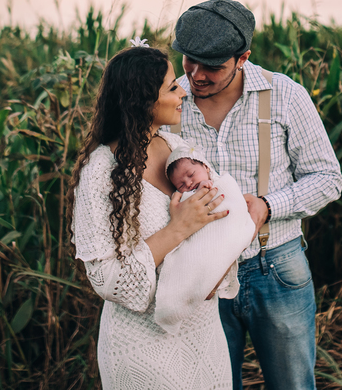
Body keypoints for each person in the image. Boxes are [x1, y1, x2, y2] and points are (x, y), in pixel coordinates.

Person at [171, 0, 342, 390]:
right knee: (212, 384)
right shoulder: (170, 101)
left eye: (212, 66)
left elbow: (328, 177)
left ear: (243, 57)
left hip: (277, 267)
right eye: (188, 61)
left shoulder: (285, 94)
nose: (195, 75)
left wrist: (267, 206)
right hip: (201, 275)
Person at [69, 45, 235, 389]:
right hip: (143, 346)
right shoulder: (101, 171)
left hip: (204, 334)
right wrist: (178, 228)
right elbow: (105, 278)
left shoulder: (181, 149)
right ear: (142, 99)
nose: (183, 93)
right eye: (172, 87)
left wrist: (214, 274)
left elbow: (219, 222)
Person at [154, 147, 256, 334]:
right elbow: (186, 209)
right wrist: (187, 195)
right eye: (181, 185)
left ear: (205, 167)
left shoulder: (219, 183)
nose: (189, 183)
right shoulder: (188, 195)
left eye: (191, 174)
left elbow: (230, 201)